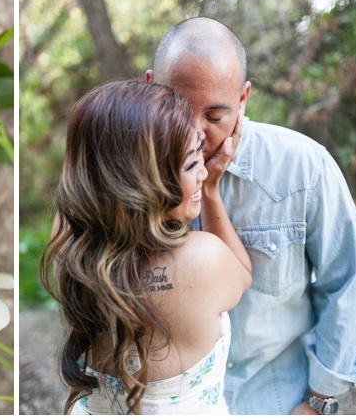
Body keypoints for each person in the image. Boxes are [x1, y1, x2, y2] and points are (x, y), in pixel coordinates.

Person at [146, 16, 356, 415]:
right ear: (149, 87)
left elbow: (349, 282)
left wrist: (318, 402)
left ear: (243, 98)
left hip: (276, 401)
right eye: (177, 107)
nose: (195, 134)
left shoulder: (304, 168)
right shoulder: (123, 176)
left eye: (215, 117)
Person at [40, 79, 252, 414]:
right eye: (190, 163)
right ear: (142, 182)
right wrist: (211, 192)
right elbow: (242, 274)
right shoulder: (204, 260)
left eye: (199, 150)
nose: (201, 172)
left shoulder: (68, 238)